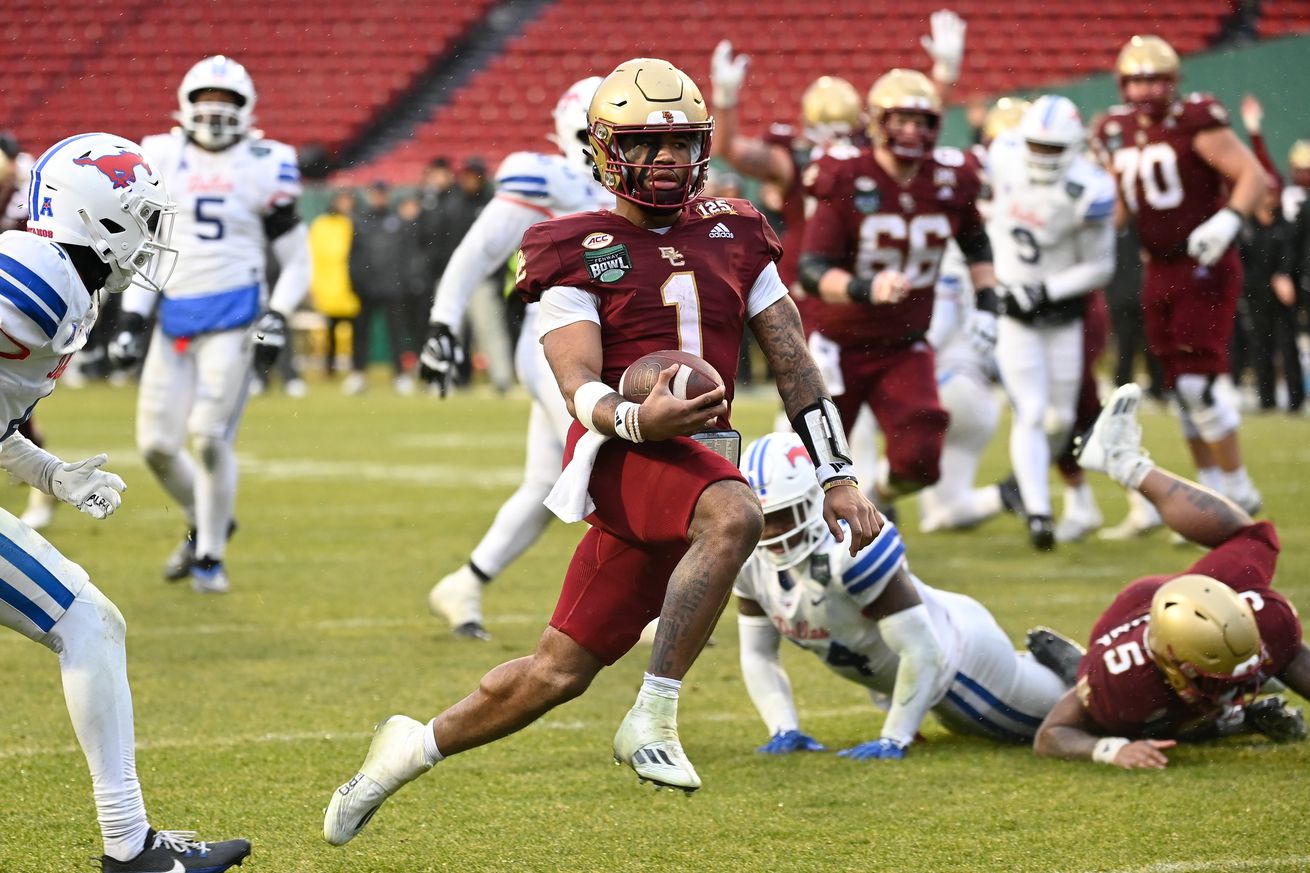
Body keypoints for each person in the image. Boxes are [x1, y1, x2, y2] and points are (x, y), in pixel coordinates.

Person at [324, 58, 879, 846]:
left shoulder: (735, 228)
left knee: (554, 673)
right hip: (625, 458)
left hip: (695, 464)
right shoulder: (568, 244)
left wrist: (838, 471)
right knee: (737, 513)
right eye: (649, 146)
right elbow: (574, 377)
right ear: (605, 148)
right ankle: (654, 713)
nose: (668, 162)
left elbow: (794, 362)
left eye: (682, 144)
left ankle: (405, 750)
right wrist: (634, 418)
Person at [4, 132, 250, 872]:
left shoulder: (63, 288)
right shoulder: (37, 272)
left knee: (90, 620)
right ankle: (131, 850)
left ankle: (132, 846)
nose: (151, 231)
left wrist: (49, 474)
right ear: (95, 213)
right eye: (140, 213)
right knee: (86, 619)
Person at [736, 432, 1079, 757]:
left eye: (783, 516)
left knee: (1065, 719)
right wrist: (784, 729)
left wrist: (893, 738)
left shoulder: (848, 550)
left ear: (814, 502)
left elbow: (922, 648)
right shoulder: (750, 561)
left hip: (959, 659)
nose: (775, 532)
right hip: (922, 670)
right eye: (765, 519)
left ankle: (1096, 671)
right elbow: (758, 653)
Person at [109, 55, 311, 594]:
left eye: (228, 103)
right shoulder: (161, 156)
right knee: (153, 444)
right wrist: (133, 316)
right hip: (175, 313)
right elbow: (151, 248)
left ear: (247, 110)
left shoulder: (265, 161)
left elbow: (298, 259)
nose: (216, 113)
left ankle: (210, 557)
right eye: (206, 102)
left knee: (206, 436)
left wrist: (277, 315)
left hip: (236, 316)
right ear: (185, 106)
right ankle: (208, 519)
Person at [1033, 383, 1308, 768]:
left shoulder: (1267, 621)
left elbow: (1289, 656)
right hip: (1136, 620)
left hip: (1198, 601)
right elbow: (1049, 736)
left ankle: (1125, 461)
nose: (1242, 688)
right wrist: (1110, 749)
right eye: (1216, 679)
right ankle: (1072, 661)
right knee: (1154, 716)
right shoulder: (1122, 680)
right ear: (1169, 663)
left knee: (1252, 539)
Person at [422, 77, 609, 640]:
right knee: (604, 460)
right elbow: (479, 250)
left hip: (605, 347)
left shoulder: (638, 186)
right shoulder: (548, 175)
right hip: (553, 345)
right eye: (590, 134)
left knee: (542, 483)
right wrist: (443, 321)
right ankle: (639, 602)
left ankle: (466, 582)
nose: (601, 149)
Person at [798, 68, 999, 515]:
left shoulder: (951, 178)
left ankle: (880, 499)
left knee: (921, 458)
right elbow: (813, 270)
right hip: (838, 344)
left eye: (921, 120)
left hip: (904, 344)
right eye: (900, 119)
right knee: (810, 466)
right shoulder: (846, 175)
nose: (911, 130)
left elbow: (975, 242)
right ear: (877, 122)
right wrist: (866, 288)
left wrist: (988, 302)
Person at [1092, 35, 1267, 524]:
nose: (1146, 90)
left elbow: (1253, 176)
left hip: (1203, 263)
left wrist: (1229, 219)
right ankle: (1210, 494)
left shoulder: (1196, 120)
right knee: (1177, 387)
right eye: (1137, 79)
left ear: (1173, 83)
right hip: (1158, 267)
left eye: (1156, 79)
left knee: (1199, 383)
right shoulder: (1116, 130)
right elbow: (1120, 210)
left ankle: (1239, 489)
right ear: (1122, 83)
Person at [988, 95, 1116, 549]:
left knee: (1061, 418)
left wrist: (1047, 289)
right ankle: (1040, 515)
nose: (1041, 156)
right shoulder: (1002, 157)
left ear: (1074, 147)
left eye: (1052, 148)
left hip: (1062, 313)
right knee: (1033, 411)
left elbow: (1100, 267)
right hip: (1015, 310)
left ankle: (1027, 490)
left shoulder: (1089, 189)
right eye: (1035, 146)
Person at [344, 181, 412, 395]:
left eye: (382, 194)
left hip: (392, 286)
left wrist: (402, 282)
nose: (379, 198)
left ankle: (400, 375)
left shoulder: (397, 220)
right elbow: (353, 256)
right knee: (361, 333)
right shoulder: (360, 220)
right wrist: (355, 282)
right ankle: (358, 374)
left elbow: (404, 256)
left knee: (396, 333)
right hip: (366, 287)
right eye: (376, 194)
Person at [308, 188, 359, 377]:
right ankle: (329, 367)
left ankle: (356, 367)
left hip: (352, 286)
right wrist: (315, 286)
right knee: (329, 329)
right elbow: (314, 257)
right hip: (329, 287)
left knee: (354, 329)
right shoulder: (322, 225)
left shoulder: (356, 223)